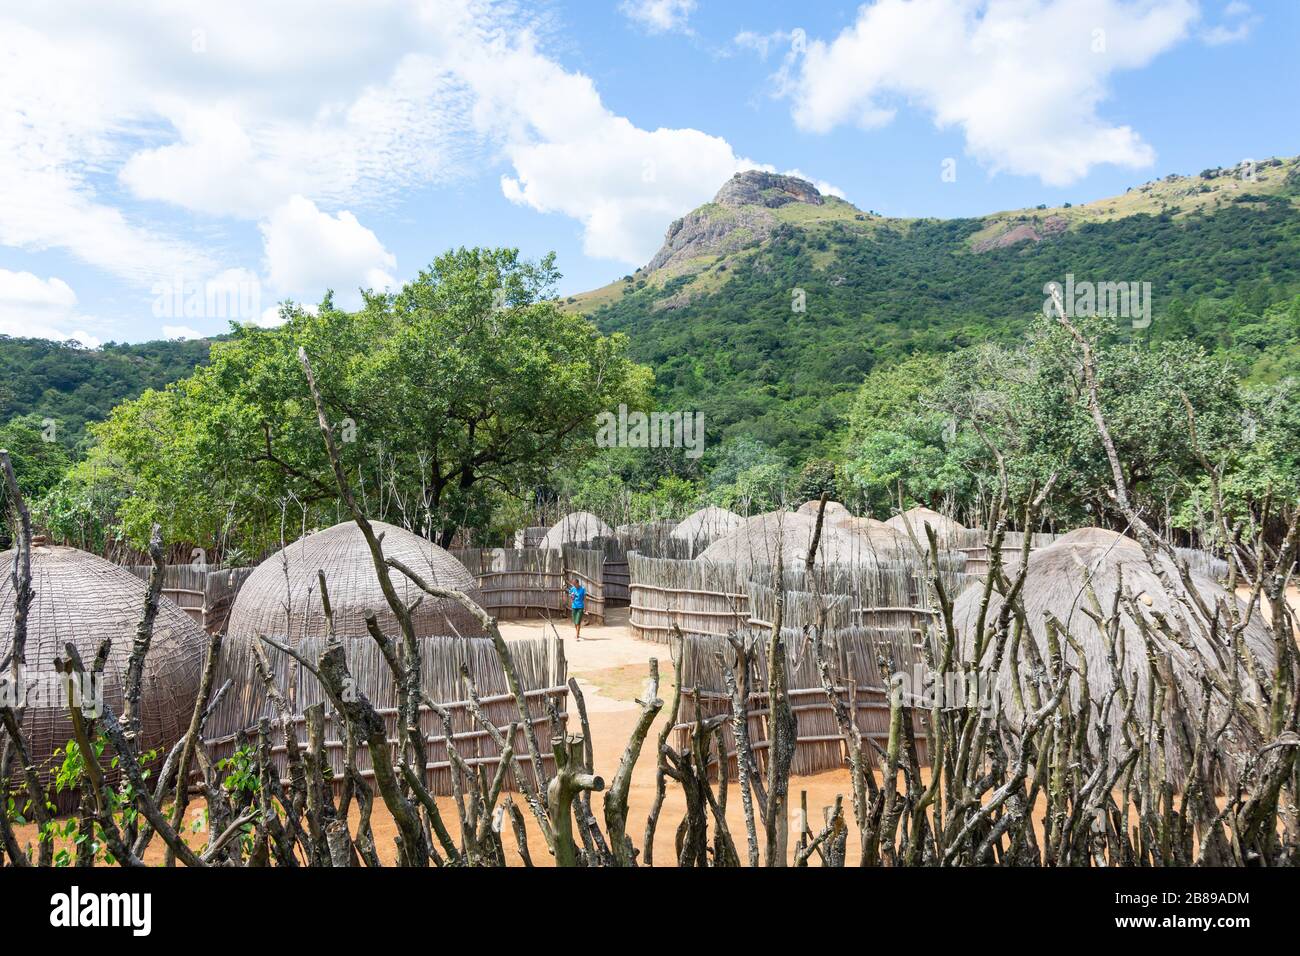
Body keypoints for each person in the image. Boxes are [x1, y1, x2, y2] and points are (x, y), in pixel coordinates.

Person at [566, 575, 587, 641]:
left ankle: (577, 635)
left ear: (578, 583)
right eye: (573, 584)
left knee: (578, 621)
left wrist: (585, 607)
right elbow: (571, 596)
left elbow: (585, 599)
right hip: (574, 607)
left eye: (575, 584)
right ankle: (577, 633)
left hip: (580, 607)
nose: (574, 585)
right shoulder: (572, 589)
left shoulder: (583, 589)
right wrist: (572, 596)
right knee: (575, 621)